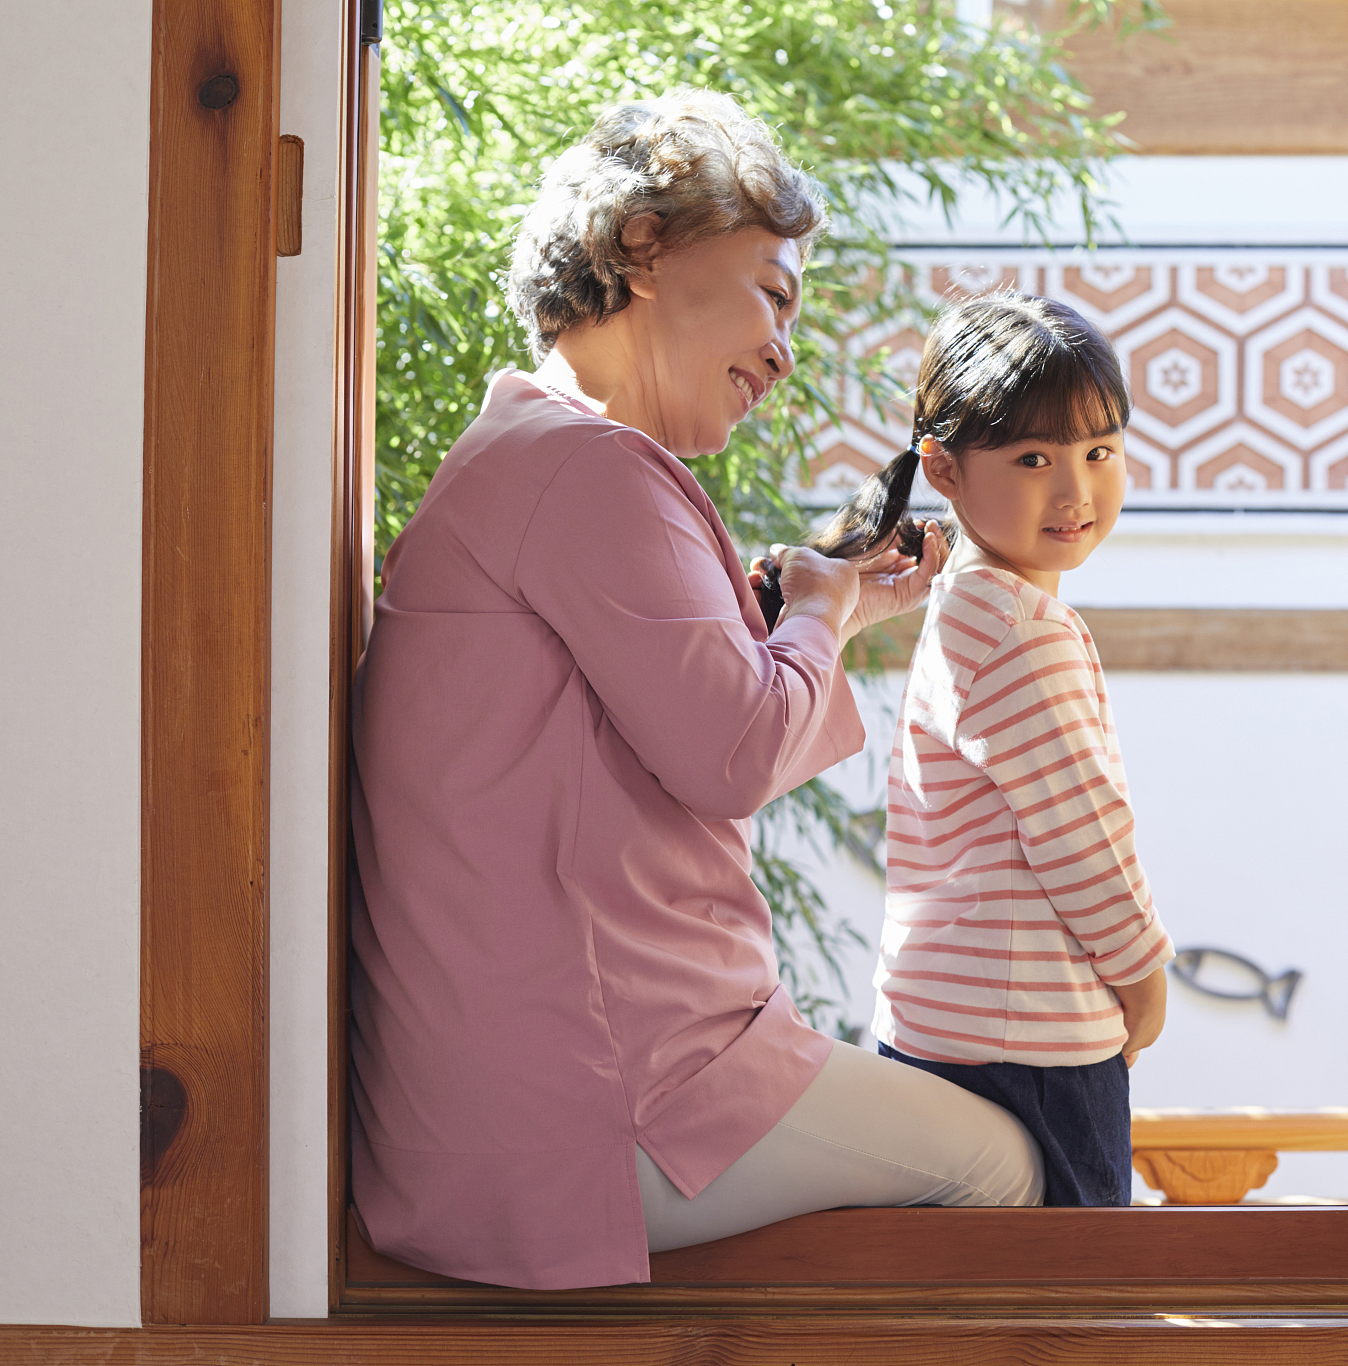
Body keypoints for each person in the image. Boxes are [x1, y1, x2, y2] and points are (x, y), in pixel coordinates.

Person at [347, 89, 1043, 1293]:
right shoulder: (591, 468)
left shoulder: (525, 451)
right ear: (643, 249)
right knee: (999, 1164)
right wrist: (821, 612)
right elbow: (733, 751)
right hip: (595, 1099)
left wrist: (839, 608)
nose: (785, 349)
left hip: (511, 1096)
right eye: (774, 292)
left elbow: (672, 714)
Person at [802, 293, 1175, 1206]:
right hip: (1032, 1045)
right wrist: (1143, 974)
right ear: (946, 468)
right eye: (1034, 458)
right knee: (1074, 1317)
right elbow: (1084, 830)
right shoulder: (1016, 628)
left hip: (945, 1025)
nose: (1075, 489)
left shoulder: (970, 604)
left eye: (1100, 453)